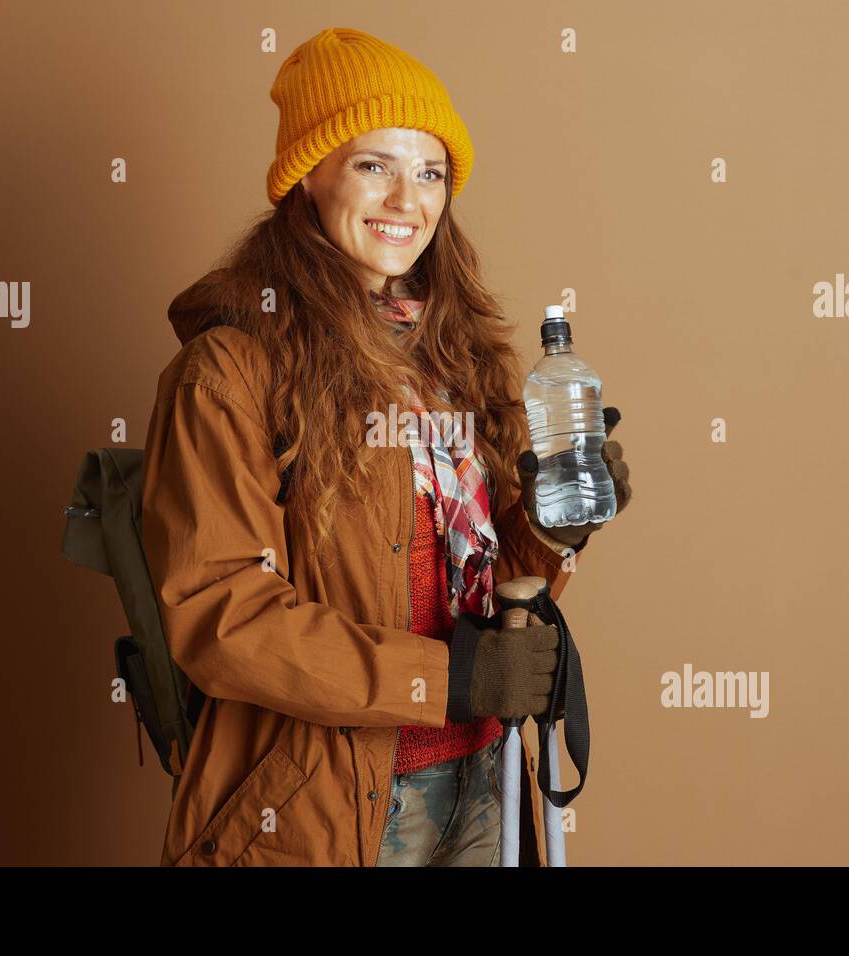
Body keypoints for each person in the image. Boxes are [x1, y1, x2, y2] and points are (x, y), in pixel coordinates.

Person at [141, 26, 631, 867]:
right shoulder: (230, 372)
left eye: (431, 172)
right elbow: (223, 615)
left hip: (484, 780)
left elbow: (494, 594)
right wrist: (450, 682)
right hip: (325, 808)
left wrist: (553, 526)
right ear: (307, 177)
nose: (409, 199)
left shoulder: (455, 361)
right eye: (375, 165)